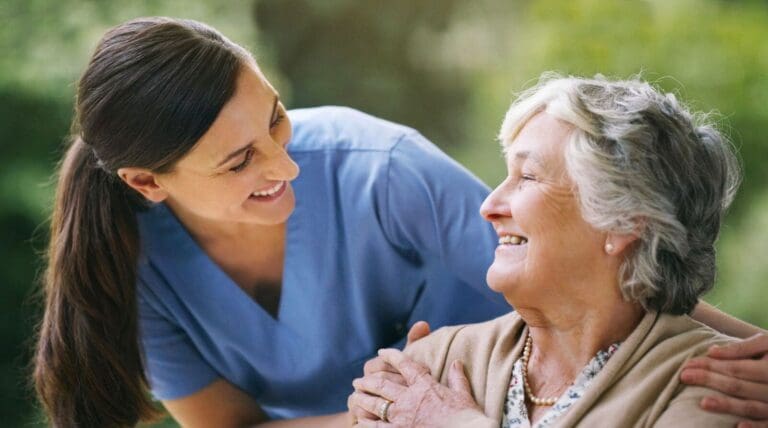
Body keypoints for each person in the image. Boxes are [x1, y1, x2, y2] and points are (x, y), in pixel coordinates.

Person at [32, 18, 765, 428]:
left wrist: (753, 348)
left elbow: (605, 265)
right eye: (238, 162)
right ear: (146, 184)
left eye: (279, 121)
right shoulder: (133, 261)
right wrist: (390, 416)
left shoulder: (381, 169)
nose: (286, 168)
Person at [348, 75, 768, 427]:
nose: (489, 206)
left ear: (621, 222)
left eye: (527, 177)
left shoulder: (717, 385)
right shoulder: (434, 364)